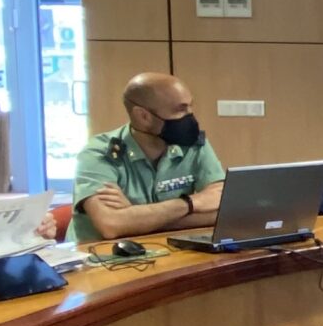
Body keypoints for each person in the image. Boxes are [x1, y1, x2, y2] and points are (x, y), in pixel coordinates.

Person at [70, 73, 227, 243]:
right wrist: (190, 203)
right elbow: (111, 225)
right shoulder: (98, 154)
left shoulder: (192, 145)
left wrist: (135, 217)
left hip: (163, 249)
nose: (190, 115)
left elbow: (223, 212)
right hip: (99, 255)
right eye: (180, 110)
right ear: (143, 116)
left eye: (190, 107)